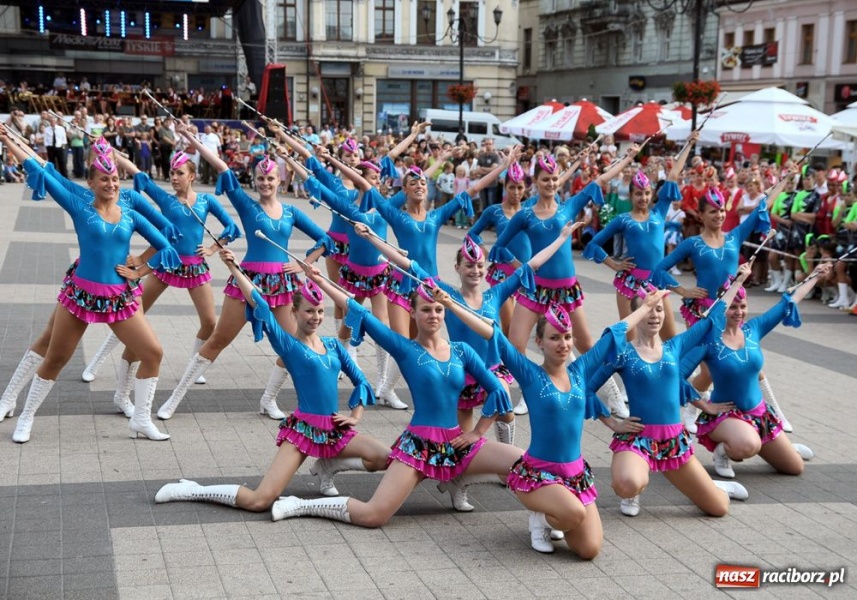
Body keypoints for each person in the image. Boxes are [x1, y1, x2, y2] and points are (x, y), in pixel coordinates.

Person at [438, 282, 679, 557]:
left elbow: (615, 333)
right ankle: (540, 520)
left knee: (589, 550)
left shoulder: (580, 371)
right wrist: (451, 304)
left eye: (566, 337)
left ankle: (557, 515)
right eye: (554, 338)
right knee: (573, 513)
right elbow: (493, 333)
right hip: (539, 475)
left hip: (575, 475)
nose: (562, 344)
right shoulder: (530, 374)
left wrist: (646, 307)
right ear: (539, 342)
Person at [269, 266, 522, 527]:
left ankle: (533, 518)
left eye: (438, 309)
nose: (433, 315)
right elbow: (362, 315)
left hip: (456, 443)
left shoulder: (462, 351)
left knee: (524, 462)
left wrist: (477, 432)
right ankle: (299, 505)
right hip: (419, 446)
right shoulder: (405, 349)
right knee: (373, 516)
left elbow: (496, 388)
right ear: (412, 312)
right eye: (425, 309)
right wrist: (320, 280)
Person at [154, 249, 390, 509]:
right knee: (260, 500)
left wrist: (355, 416)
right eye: (309, 312)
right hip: (304, 431)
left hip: (334, 430)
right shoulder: (289, 346)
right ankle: (192, 491)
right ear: (294, 313)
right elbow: (260, 304)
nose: (316, 318)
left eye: (320, 312)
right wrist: (234, 268)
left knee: (383, 458)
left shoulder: (334, 346)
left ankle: (328, 465)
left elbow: (361, 382)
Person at [0, 125, 179, 443]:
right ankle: (25, 416)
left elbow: (166, 244)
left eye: (114, 179)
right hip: (82, 295)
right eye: (104, 179)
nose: (111, 184)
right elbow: (38, 167)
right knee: (56, 357)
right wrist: (7, 140)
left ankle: (140, 419)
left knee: (152, 352)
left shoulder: (130, 214)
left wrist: (140, 269)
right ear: (91, 183)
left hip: (119, 297)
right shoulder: (79, 205)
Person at [156, 122, 330, 421]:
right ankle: (175, 398)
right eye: (261, 178)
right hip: (247, 281)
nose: (265, 183)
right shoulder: (248, 207)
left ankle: (268, 399)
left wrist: (304, 263)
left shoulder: (291, 212)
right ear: (255, 179)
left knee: (291, 346)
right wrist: (191, 140)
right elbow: (223, 169)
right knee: (219, 339)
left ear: (280, 180)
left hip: (283, 286)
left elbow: (325, 239)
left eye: (270, 178)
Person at [77, 150, 241, 410]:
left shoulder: (207, 201)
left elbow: (232, 227)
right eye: (172, 173)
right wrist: (115, 156)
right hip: (164, 265)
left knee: (210, 321)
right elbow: (139, 175)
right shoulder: (165, 199)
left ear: (192, 176)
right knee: (132, 316)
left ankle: (193, 367)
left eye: (179, 174)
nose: (174, 178)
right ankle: (97, 361)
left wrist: (212, 248)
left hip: (194, 268)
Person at [588, 264, 753, 519]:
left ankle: (715, 487)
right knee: (627, 483)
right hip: (638, 440)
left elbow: (713, 316)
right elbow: (586, 389)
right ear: (635, 314)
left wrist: (739, 280)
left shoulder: (675, 346)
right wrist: (613, 423)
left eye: (658, 309)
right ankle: (635, 487)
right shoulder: (622, 352)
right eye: (647, 309)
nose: (654, 315)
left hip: (674, 442)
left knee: (718, 508)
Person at [488, 146, 641, 416]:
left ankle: (613, 394)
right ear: (535, 182)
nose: (551, 183)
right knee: (515, 346)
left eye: (554, 178)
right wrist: (523, 268)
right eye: (545, 179)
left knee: (586, 345)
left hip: (566, 290)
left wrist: (628, 158)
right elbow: (499, 247)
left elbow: (600, 180)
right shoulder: (525, 214)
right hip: (535, 290)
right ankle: (529, 393)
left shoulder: (568, 207)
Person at [653, 168, 795, 433]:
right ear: (702, 214)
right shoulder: (692, 243)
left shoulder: (734, 237)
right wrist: (683, 291)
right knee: (707, 368)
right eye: (712, 211)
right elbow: (659, 270)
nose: (718, 215)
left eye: (721, 211)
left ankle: (773, 411)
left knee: (752, 365)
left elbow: (762, 206)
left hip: (732, 313)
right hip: (704, 315)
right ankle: (690, 410)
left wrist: (785, 180)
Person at [683, 264, 829, 481]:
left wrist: (815, 275)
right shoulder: (708, 341)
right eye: (733, 306)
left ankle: (783, 447)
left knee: (794, 467)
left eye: (742, 306)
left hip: (759, 414)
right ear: (721, 307)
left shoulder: (753, 329)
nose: (739, 312)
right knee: (748, 445)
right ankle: (722, 451)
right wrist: (703, 405)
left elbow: (789, 301)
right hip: (726, 416)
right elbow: (676, 375)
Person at [584, 131, 698, 343]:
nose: (643, 197)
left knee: (670, 339)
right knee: (632, 341)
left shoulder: (659, 213)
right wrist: (615, 265)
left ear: (652, 192)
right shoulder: (623, 220)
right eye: (638, 193)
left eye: (646, 192)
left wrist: (689, 144)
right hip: (630, 284)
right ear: (631, 194)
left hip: (656, 282)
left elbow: (673, 176)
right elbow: (594, 244)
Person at [467, 161, 532, 335]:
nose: (516, 192)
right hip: (502, 274)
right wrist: (486, 253)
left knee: (526, 329)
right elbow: (472, 234)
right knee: (509, 327)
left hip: (526, 271)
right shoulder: (494, 211)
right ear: (505, 186)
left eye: (520, 187)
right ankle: (505, 361)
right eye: (512, 187)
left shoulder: (530, 209)